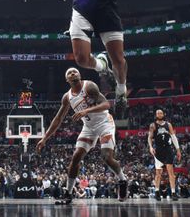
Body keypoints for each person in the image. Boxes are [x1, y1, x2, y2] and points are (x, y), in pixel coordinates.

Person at [36, 67, 128, 205]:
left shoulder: (89, 86)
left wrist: (86, 111)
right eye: (69, 73)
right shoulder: (67, 97)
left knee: (106, 157)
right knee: (76, 156)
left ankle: (122, 180)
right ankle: (68, 193)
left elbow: (106, 104)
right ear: (67, 79)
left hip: (104, 123)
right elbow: (58, 119)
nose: (73, 73)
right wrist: (44, 138)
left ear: (79, 75)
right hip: (89, 128)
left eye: (75, 71)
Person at [147, 109, 181, 200]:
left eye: (161, 113)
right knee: (158, 173)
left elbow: (173, 137)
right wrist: (150, 147)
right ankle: (157, 192)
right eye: (157, 113)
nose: (159, 114)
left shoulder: (168, 125)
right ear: (156, 115)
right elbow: (149, 138)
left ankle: (173, 193)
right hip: (158, 150)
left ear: (163, 114)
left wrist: (178, 149)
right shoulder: (153, 125)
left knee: (171, 172)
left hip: (168, 149)